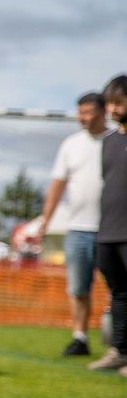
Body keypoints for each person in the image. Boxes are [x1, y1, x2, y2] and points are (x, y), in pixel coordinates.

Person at [40, 92, 112, 357]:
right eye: (80, 112)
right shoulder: (71, 145)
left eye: (88, 112)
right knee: (79, 288)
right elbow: (58, 185)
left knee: (119, 289)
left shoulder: (117, 141)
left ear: (103, 112)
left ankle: (119, 342)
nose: (82, 117)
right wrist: (45, 221)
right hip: (78, 229)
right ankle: (80, 337)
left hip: (113, 229)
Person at [90, 74, 127, 374]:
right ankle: (120, 351)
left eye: (118, 103)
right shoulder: (109, 142)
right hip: (108, 231)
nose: (112, 109)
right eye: (109, 104)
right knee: (119, 293)